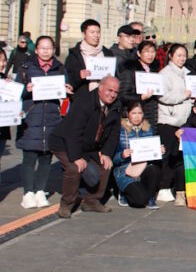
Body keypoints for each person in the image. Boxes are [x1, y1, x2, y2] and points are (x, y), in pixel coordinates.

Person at [49, 76, 121, 218]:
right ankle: (66, 205)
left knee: (105, 165)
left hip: (90, 145)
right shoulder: (84, 101)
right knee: (74, 168)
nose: (112, 95)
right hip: (64, 141)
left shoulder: (117, 105)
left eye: (115, 92)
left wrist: (106, 153)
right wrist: (76, 157)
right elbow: (73, 132)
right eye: (109, 90)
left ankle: (91, 201)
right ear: (100, 88)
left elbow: (114, 133)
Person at [16, 36, 70, 209]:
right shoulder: (26, 67)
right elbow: (16, 91)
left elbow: (66, 91)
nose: (46, 51)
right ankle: (28, 193)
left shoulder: (60, 68)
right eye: (42, 48)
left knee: (46, 157)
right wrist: (26, 90)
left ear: (54, 50)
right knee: (29, 157)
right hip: (31, 118)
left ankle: (40, 190)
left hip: (52, 118)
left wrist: (67, 90)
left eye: (49, 48)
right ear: (36, 49)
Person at [156, 44, 193, 205]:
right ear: (170, 56)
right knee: (167, 155)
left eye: (184, 55)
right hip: (168, 120)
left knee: (177, 155)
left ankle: (172, 187)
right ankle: (162, 187)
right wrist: (183, 95)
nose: (182, 58)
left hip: (182, 121)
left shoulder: (186, 73)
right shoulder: (164, 73)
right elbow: (162, 95)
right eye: (178, 55)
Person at [112, 102, 162, 209]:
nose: (137, 116)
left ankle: (151, 198)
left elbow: (151, 153)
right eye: (134, 113)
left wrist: (159, 151)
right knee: (140, 200)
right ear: (127, 114)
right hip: (125, 171)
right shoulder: (120, 130)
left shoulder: (148, 128)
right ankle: (124, 192)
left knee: (155, 169)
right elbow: (112, 159)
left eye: (140, 113)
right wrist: (122, 155)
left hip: (142, 168)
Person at [118, 41, 160, 130]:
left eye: (153, 52)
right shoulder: (130, 70)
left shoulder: (154, 72)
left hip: (151, 114)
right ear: (139, 53)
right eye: (147, 51)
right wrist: (140, 97)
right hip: (135, 115)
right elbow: (123, 95)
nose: (150, 55)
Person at [64, 18, 114, 95]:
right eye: (92, 32)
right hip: (83, 97)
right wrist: (79, 76)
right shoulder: (74, 55)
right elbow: (68, 81)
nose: (96, 35)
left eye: (98, 32)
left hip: (105, 96)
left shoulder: (108, 53)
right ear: (83, 34)